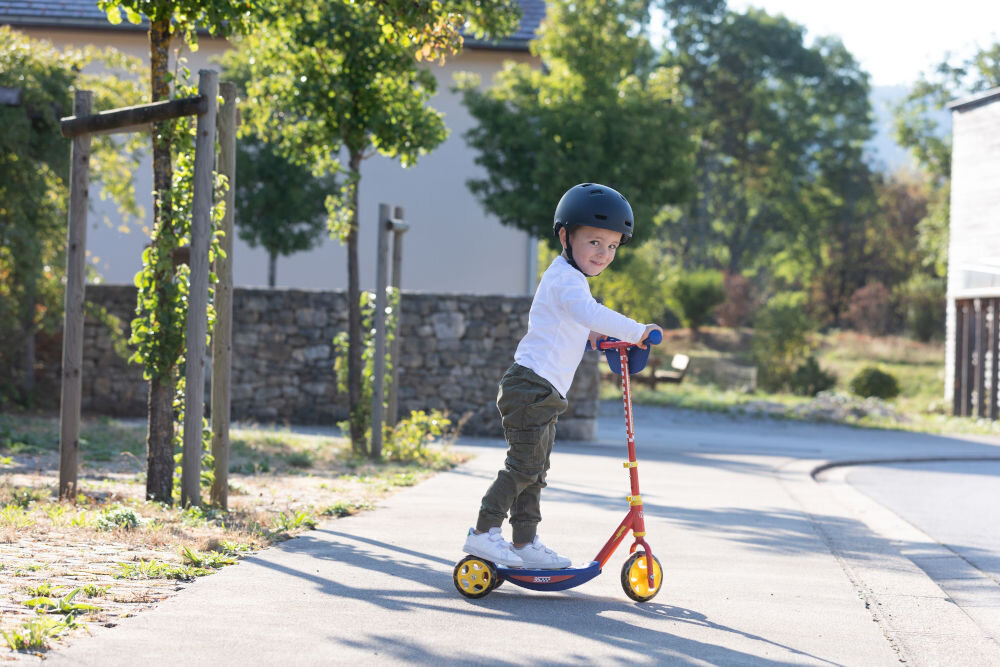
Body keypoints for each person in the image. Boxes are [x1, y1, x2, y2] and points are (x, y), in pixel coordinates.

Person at [461, 183, 663, 569]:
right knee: (522, 466)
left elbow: (580, 322)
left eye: (613, 246)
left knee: (535, 471)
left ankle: (524, 542)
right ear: (565, 236)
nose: (604, 254)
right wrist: (637, 331)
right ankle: (484, 533)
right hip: (529, 388)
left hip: (544, 392)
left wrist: (596, 340)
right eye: (594, 242)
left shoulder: (571, 282)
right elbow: (589, 313)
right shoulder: (567, 281)